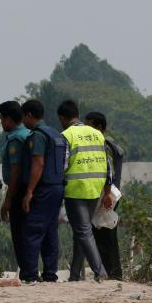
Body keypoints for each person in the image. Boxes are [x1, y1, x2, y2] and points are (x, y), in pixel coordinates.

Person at [58, 100, 111, 282]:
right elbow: (107, 164)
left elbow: (62, 164)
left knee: (83, 231)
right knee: (81, 233)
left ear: (63, 118)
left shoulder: (66, 135)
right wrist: (108, 190)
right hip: (95, 187)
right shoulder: (96, 134)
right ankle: (74, 276)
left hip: (76, 189)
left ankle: (100, 271)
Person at [19, 100, 69, 284]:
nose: (23, 121)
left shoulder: (38, 136)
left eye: (24, 117)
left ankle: (30, 275)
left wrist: (29, 191)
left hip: (43, 189)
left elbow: (38, 163)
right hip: (57, 187)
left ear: (29, 115)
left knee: (32, 230)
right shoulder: (57, 135)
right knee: (50, 232)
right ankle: (50, 274)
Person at [86, 112, 124, 281]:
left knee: (103, 235)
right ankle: (112, 272)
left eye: (90, 125)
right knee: (106, 234)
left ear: (98, 127)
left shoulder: (103, 145)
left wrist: (106, 193)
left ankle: (111, 273)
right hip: (110, 194)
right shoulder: (111, 144)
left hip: (106, 195)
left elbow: (108, 171)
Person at [0, 101, 29, 273]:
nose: (1, 123)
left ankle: (26, 271)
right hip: (29, 189)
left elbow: (16, 170)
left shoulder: (16, 139)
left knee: (19, 233)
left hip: (18, 190)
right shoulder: (28, 133)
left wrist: (7, 200)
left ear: (8, 119)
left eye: (1, 119)